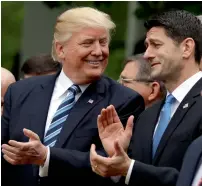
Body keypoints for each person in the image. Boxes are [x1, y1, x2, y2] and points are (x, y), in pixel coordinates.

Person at [1, 7, 145, 186]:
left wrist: (47, 157)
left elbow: (110, 164)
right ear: (60, 49)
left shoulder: (124, 100)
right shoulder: (20, 91)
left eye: (103, 42)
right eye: (88, 43)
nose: (98, 51)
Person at [90, 10, 202, 186]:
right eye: (147, 45)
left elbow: (193, 179)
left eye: (156, 45)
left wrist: (129, 168)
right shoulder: (147, 116)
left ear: (187, 47)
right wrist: (118, 157)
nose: (147, 54)